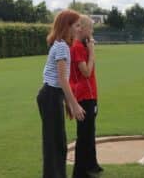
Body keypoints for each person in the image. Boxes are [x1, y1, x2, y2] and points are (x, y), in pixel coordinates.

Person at [37, 10, 86, 178]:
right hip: (50, 95)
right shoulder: (62, 47)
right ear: (67, 27)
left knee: (57, 143)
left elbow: (61, 81)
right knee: (55, 144)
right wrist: (74, 104)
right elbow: (62, 80)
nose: (80, 29)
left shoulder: (62, 45)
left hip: (53, 95)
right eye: (77, 25)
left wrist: (66, 101)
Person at [70, 15, 103, 178]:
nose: (92, 31)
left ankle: (92, 164)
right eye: (90, 28)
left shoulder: (81, 46)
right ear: (81, 28)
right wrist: (92, 52)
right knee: (84, 135)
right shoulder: (77, 47)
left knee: (90, 132)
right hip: (83, 96)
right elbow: (86, 71)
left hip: (90, 94)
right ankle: (79, 172)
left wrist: (89, 48)